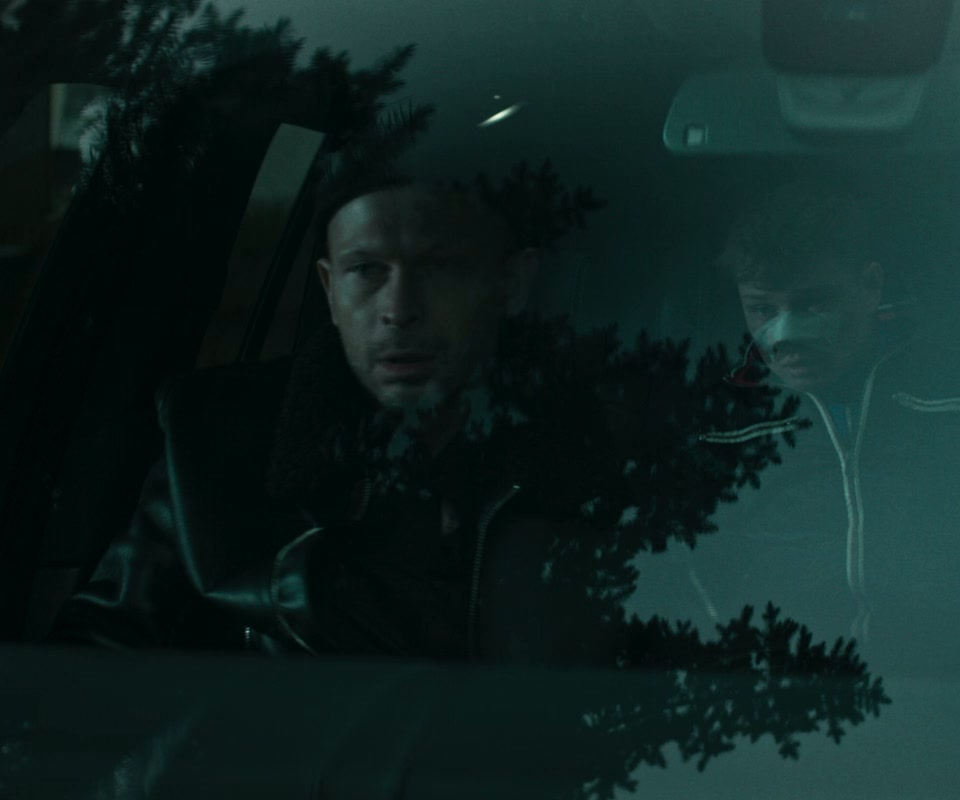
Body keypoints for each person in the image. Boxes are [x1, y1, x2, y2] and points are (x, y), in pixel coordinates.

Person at [54, 172, 613, 660]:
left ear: (512, 283)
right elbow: (96, 658)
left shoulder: (599, 456)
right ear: (329, 288)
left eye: (439, 267)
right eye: (366, 270)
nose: (398, 309)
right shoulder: (218, 438)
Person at [628, 183, 960, 678]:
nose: (785, 337)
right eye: (762, 310)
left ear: (870, 287)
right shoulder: (708, 425)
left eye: (814, 305)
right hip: (761, 697)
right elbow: (657, 571)